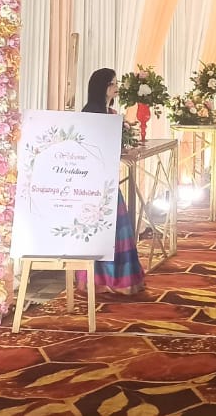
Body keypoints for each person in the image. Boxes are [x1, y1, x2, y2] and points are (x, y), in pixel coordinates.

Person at [81, 68, 146, 295]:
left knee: (116, 228)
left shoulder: (110, 112)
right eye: (112, 83)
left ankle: (117, 279)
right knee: (104, 228)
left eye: (116, 83)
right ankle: (103, 279)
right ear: (102, 87)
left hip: (108, 177)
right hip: (95, 181)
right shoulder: (91, 113)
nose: (116, 87)